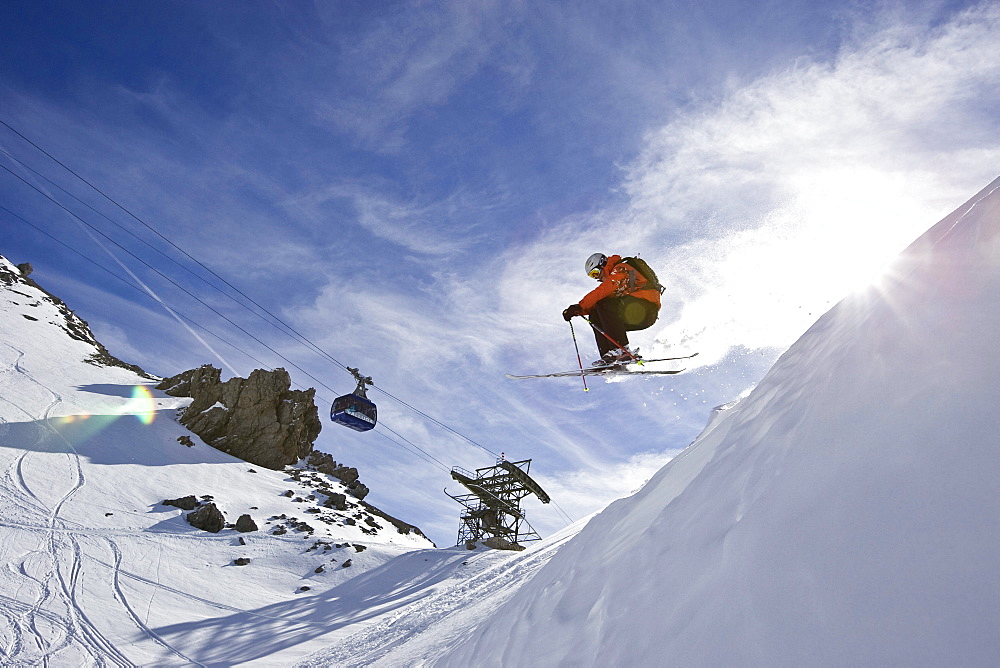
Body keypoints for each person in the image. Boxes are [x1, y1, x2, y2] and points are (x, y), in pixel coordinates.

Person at [562, 253, 661, 365]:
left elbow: (603, 290)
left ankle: (621, 351)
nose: (597, 278)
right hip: (636, 314)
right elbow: (597, 305)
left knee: (603, 304)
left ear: (603, 264)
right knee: (595, 314)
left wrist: (580, 305)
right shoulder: (617, 282)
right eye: (593, 276)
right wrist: (577, 311)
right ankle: (609, 356)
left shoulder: (621, 268)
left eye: (596, 273)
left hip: (646, 309)